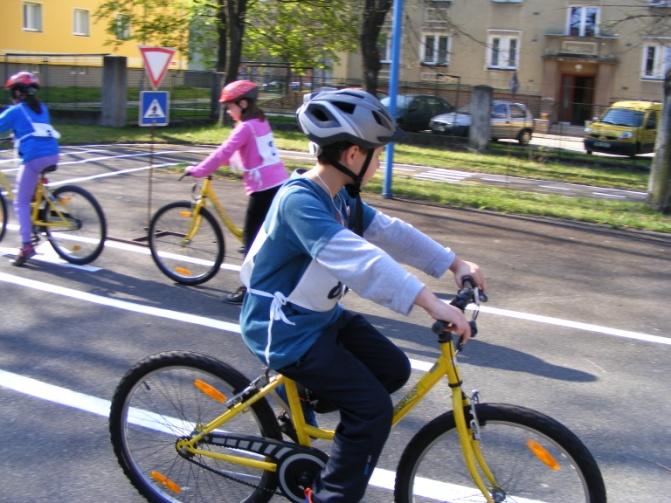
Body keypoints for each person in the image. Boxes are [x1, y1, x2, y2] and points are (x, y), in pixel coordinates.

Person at [238, 89, 486, 502]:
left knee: (392, 370)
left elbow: (390, 233)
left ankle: (299, 392)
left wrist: (454, 263)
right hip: (282, 329)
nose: (380, 161)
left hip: (319, 318)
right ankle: (332, 496)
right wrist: (431, 302)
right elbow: (361, 261)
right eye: (377, 152)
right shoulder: (301, 201)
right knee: (372, 409)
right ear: (353, 155)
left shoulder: (341, 197)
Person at [185, 79, 288, 304]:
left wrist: (199, 170)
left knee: (252, 242)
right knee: (266, 239)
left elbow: (224, 152)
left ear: (242, 103)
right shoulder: (260, 120)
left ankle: (248, 290)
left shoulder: (245, 127)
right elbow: (243, 154)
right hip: (279, 183)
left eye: (230, 105)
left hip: (264, 190)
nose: (228, 110)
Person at [0, 71, 60, 266]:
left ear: (18, 93)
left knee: (20, 202)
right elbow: (33, 129)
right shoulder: (42, 107)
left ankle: (26, 246)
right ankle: (37, 215)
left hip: (34, 158)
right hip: (53, 154)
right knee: (31, 189)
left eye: (12, 92)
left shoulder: (15, 111)